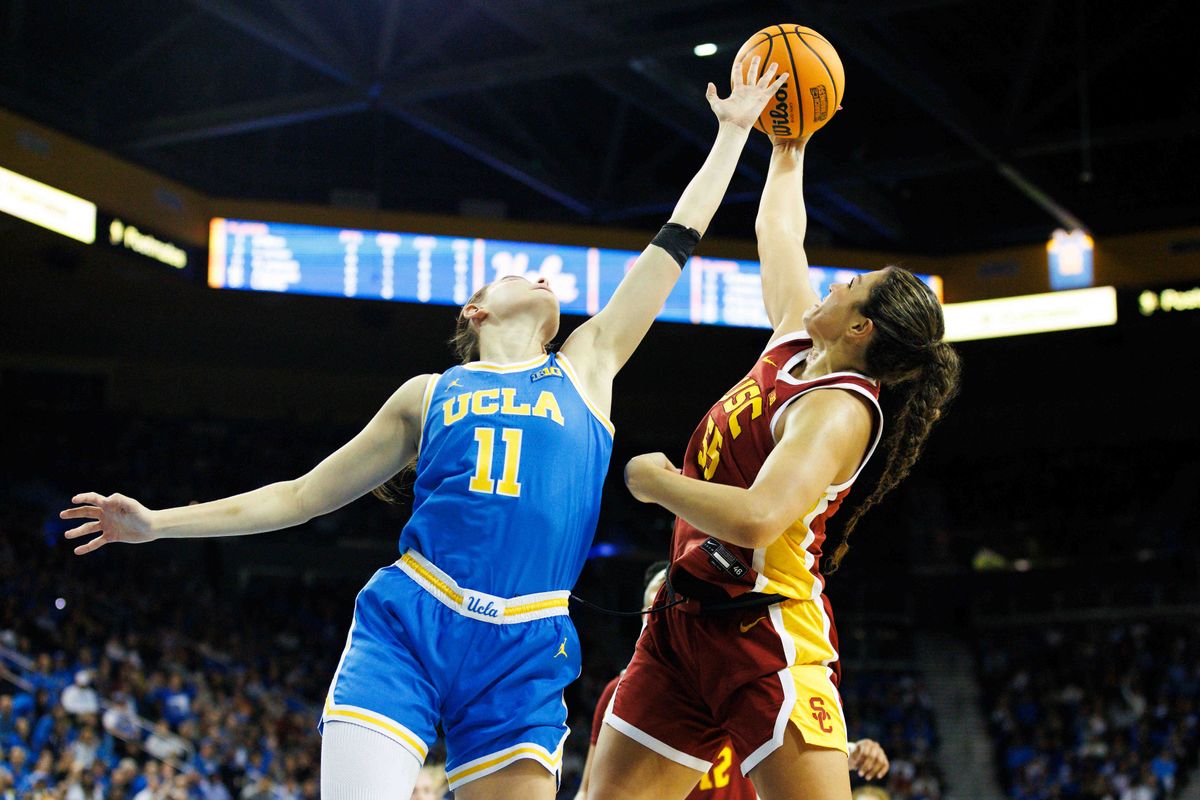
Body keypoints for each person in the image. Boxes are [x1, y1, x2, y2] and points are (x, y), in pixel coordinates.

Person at [60, 56, 790, 800]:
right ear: (474, 312)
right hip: (411, 622)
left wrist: (732, 134)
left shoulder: (587, 366)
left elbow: (674, 241)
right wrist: (157, 524)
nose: (538, 277)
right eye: (514, 276)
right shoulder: (429, 393)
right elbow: (302, 495)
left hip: (527, 647)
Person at [587, 130, 961, 800]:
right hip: (683, 622)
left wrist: (658, 484)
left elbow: (759, 518)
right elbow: (779, 230)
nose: (834, 282)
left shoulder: (839, 409)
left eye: (850, 284)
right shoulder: (794, 338)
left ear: (860, 329)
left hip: (762, 633)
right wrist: (789, 149)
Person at [574, 564, 890, 800]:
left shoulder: (738, 675)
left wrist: (852, 750)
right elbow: (590, 787)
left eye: (673, 599)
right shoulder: (619, 692)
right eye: (659, 604)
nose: (670, 610)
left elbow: (786, 739)